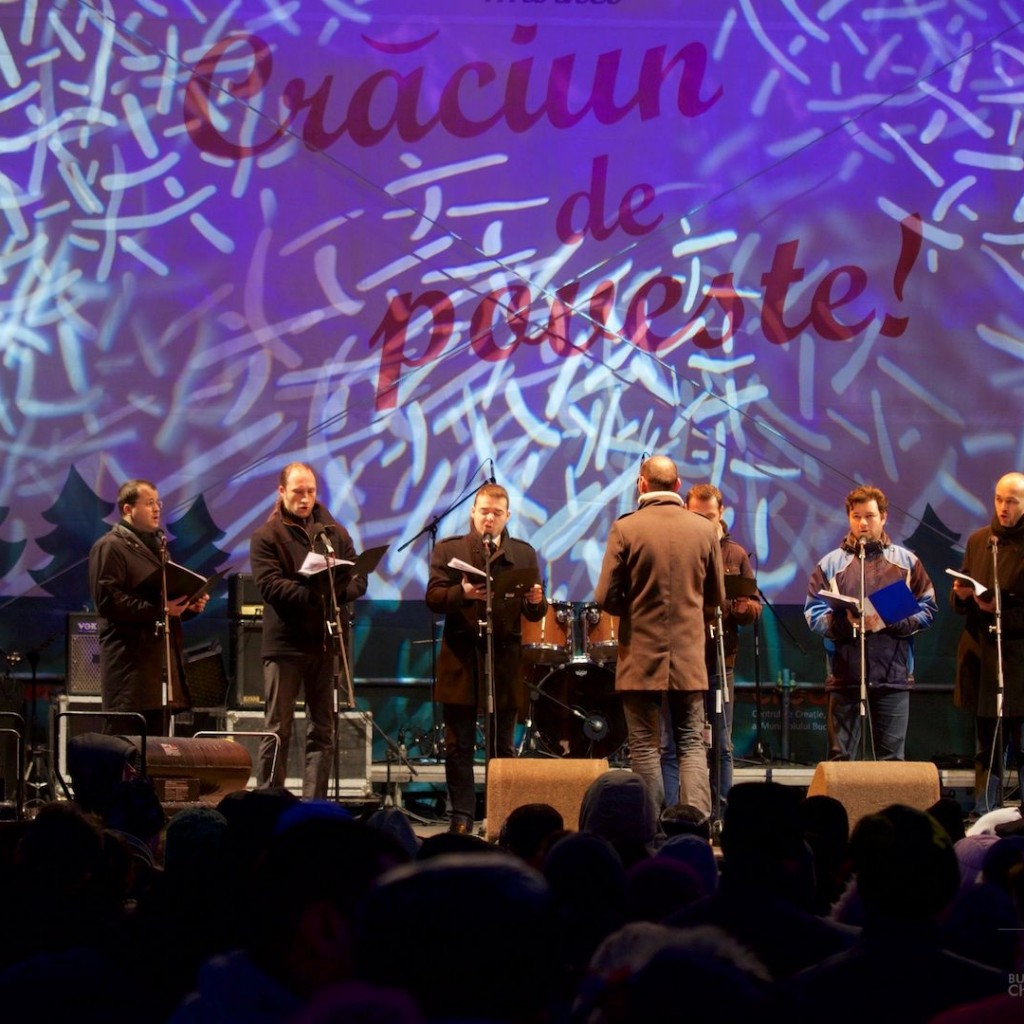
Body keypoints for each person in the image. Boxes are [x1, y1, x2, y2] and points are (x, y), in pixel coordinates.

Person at [595, 455, 725, 817]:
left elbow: (604, 597)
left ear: (642, 484)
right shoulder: (704, 530)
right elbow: (716, 597)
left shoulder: (626, 528)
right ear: (678, 485)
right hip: (689, 655)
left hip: (639, 653)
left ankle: (650, 826)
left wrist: (634, 609)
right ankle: (697, 823)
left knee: (644, 745)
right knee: (691, 743)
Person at [425, 482, 546, 834]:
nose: (489, 519)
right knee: (458, 745)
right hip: (461, 658)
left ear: (507, 516)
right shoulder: (450, 549)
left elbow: (535, 611)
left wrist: (537, 602)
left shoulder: (523, 553)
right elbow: (433, 598)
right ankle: (462, 816)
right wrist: (460, 593)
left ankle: (501, 813)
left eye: (496, 513)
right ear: (473, 513)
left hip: (503, 658)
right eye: (484, 512)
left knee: (501, 744)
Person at [249, 462, 367, 800]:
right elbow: (270, 585)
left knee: (323, 730)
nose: (305, 498)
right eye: (298, 492)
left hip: (326, 642)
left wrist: (337, 592)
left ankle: (314, 804)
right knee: (278, 728)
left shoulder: (334, 533)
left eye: (310, 491)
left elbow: (358, 577)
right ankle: (270, 802)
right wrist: (315, 594)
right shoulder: (266, 536)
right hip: (285, 644)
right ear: (282, 492)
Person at [804, 485, 936, 761]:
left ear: (883, 517)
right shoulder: (830, 564)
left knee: (892, 762)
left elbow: (928, 609)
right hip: (845, 677)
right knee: (840, 762)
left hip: (892, 676)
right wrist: (847, 623)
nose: (863, 523)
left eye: (870, 516)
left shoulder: (906, 562)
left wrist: (887, 620)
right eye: (856, 516)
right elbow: (813, 613)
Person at [661, 484, 761, 815]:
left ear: (721, 515)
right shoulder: (674, 549)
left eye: (709, 516)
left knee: (722, 744)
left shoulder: (735, 554)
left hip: (720, 659)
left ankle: (721, 814)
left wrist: (744, 609)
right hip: (680, 660)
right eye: (697, 516)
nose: (704, 523)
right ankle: (672, 813)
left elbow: (754, 606)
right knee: (672, 742)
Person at [89, 479, 209, 737]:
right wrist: (161, 609)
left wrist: (187, 606)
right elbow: (108, 600)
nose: (157, 509)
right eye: (149, 503)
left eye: (158, 503)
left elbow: (162, 602)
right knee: (124, 747)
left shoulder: (158, 548)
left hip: (157, 674)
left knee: (156, 750)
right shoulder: (110, 546)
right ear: (127, 509)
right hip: (129, 673)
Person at [951, 471, 1024, 815]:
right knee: (986, 746)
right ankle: (985, 812)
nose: (1003, 507)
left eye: (1012, 501)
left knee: (1021, 745)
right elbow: (966, 587)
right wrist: (962, 596)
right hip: (983, 656)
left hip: (1018, 660)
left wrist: (1000, 609)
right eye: (998, 499)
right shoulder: (980, 540)